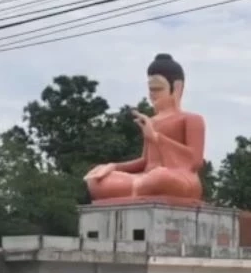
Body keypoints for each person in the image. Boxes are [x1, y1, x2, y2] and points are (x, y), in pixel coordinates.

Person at [84, 53, 207, 201]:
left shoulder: (191, 119)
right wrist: (113, 166)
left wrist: (156, 138)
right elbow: (145, 162)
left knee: (160, 176)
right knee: (97, 179)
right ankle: (137, 189)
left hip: (178, 178)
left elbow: (195, 161)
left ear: (176, 87)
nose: (152, 94)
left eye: (158, 89)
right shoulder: (152, 121)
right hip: (147, 178)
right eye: (150, 89)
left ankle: (138, 188)